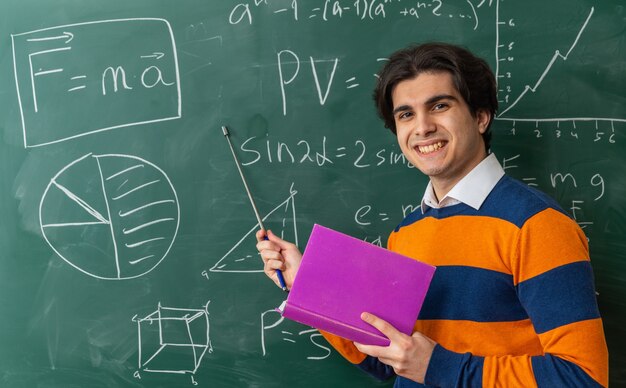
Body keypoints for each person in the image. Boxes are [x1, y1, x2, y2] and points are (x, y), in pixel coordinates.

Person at [256, 42, 608, 387]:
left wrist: (438, 366)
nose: (422, 127)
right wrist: (309, 284)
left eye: (439, 106)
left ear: (481, 116)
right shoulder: (406, 233)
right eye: (406, 114)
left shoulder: (536, 225)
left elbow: (583, 377)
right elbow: (390, 363)